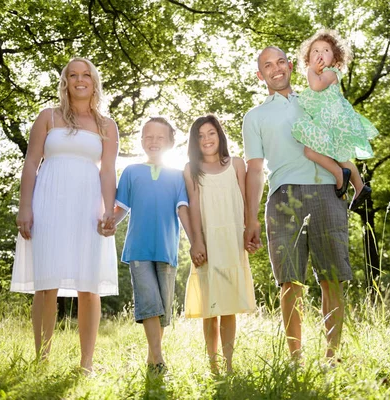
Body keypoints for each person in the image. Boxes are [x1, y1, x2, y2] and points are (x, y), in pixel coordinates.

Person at [243, 46, 352, 362]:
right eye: (267, 65)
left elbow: (341, 138)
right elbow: (254, 170)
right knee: (290, 282)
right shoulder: (255, 117)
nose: (275, 69)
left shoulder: (316, 100)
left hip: (325, 192)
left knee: (332, 277)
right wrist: (251, 218)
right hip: (282, 197)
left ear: (290, 66)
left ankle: (331, 358)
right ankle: (296, 360)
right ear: (260, 74)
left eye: (280, 62)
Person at [10, 57, 119, 373]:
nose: (80, 80)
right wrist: (25, 207)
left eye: (86, 75)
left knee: (89, 285)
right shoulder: (48, 118)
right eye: (73, 75)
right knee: (46, 283)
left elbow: (109, 171)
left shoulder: (106, 126)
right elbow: (31, 163)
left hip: (88, 206)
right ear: (66, 82)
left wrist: (108, 212)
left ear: (94, 82)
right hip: (48, 203)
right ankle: (41, 360)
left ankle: (86, 364)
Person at [104, 117, 192, 375]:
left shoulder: (178, 176)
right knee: (149, 303)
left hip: (166, 249)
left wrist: (195, 243)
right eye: (148, 137)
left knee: (162, 307)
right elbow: (122, 208)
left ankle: (152, 356)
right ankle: (159, 359)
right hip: (139, 249)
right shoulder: (131, 172)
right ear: (142, 140)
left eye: (160, 138)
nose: (154, 142)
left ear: (170, 143)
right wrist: (111, 222)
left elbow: (183, 209)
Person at [183, 115, 257, 374]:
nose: (206, 139)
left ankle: (229, 364)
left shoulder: (236, 164)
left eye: (211, 133)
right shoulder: (191, 169)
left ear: (220, 135)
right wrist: (197, 242)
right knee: (209, 306)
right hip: (208, 243)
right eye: (200, 135)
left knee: (228, 306)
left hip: (232, 240)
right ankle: (212, 365)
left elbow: (247, 201)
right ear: (195, 141)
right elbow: (193, 206)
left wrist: (250, 230)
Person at [291, 28, 378, 210]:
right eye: (315, 51)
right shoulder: (322, 74)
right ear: (308, 57)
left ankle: (339, 174)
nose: (320, 54)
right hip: (329, 120)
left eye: (326, 51)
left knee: (309, 150)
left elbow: (315, 86)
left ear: (335, 59)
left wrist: (310, 71)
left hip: (331, 120)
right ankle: (360, 187)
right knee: (340, 155)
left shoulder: (330, 73)